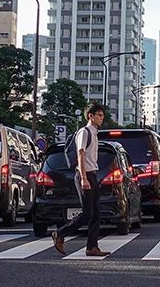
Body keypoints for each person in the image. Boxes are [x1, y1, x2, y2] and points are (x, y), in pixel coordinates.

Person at [52, 103, 110, 257]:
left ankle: (92, 247)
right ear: (90, 116)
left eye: (102, 115)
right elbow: (80, 154)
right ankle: (60, 233)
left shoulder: (95, 133)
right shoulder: (84, 132)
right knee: (87, 213)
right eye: (99, 115)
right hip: (84, 175)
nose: (101, 118)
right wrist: (84, 178)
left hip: (93, 174)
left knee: (96, 213)